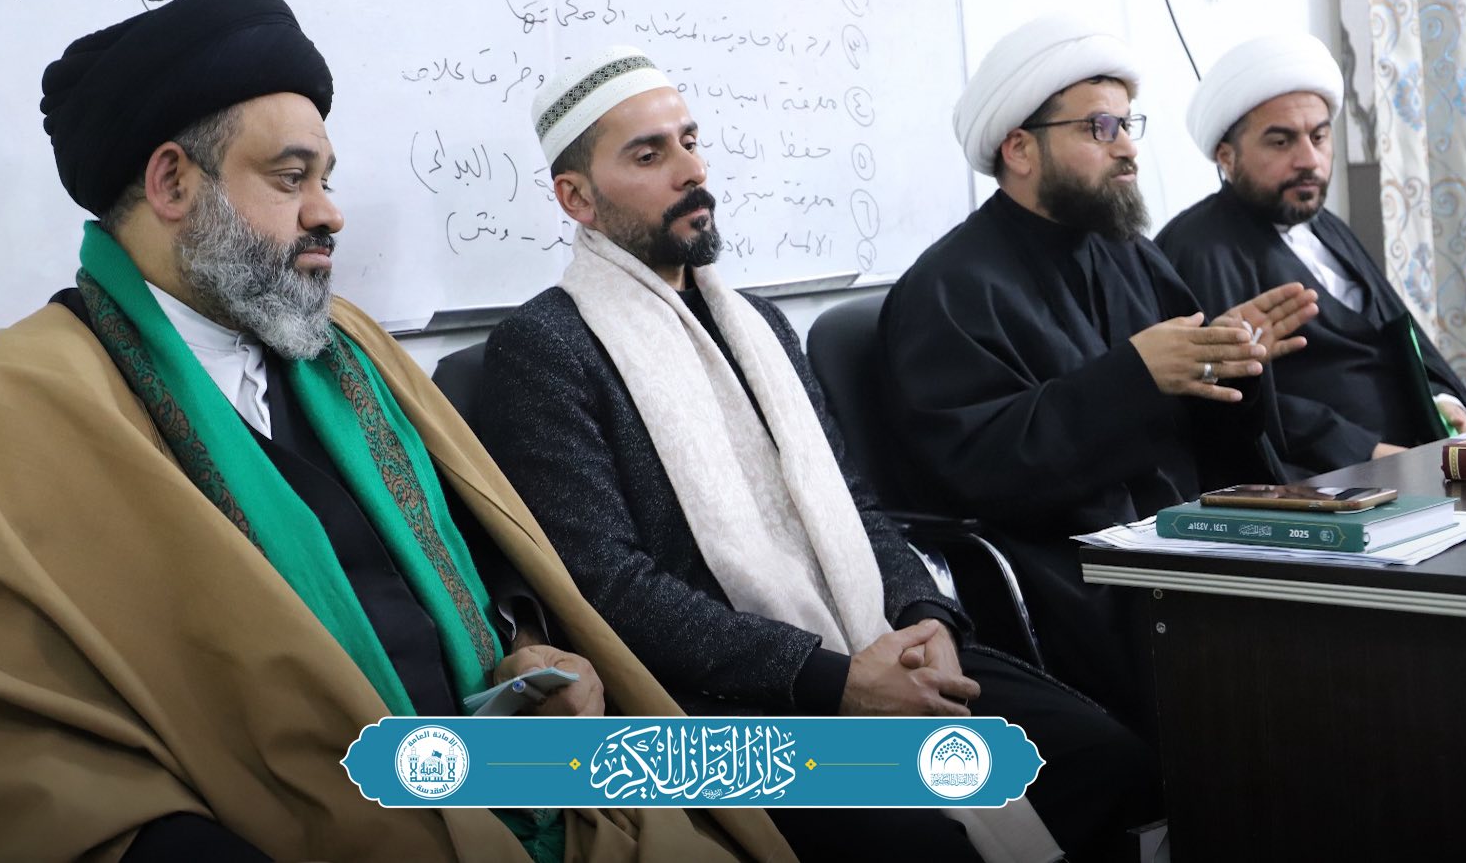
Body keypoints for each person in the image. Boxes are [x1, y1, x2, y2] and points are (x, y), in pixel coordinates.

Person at [0, 0, 788, 863]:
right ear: (172, 181)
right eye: (291, 178)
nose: (328, 211)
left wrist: (527, 649)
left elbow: (488, 556)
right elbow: (14, 759)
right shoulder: (6, 411)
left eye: (326, 179)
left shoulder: (346, 349)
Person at [480, 45, 1160, 863]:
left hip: (863, 629)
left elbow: (855, 505)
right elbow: (608, 585)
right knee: (916, 842)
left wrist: (926, 617)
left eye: (689, 141)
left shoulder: (760, 325)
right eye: (648, 155)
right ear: (576, 197)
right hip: (715, 695)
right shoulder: (545, 348)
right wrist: (832, 680)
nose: (691, 171)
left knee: (1104, 759)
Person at [877, 15, 1318, 728]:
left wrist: (1231, 361)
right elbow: (975, 468)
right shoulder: (948, 289)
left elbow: (1206, 434)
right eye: (1099, 128)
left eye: (1127, 125)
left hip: (1177, 541)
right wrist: (1135, 377)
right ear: (1020, 148)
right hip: (1073, 575)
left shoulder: (1128, 254)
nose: (1128, 148)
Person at [1157, 32, 1466, 477]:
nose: (1309, 160)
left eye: (1319, 137)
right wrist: (1366, 451)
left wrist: (1443, 401)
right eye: (1281, 142)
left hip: (1419, 460)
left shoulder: (1327, 227)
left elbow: (1400, 342)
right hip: (1330, 484)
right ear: (1227, 158)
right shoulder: (1200, 247)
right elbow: (1225, 400)